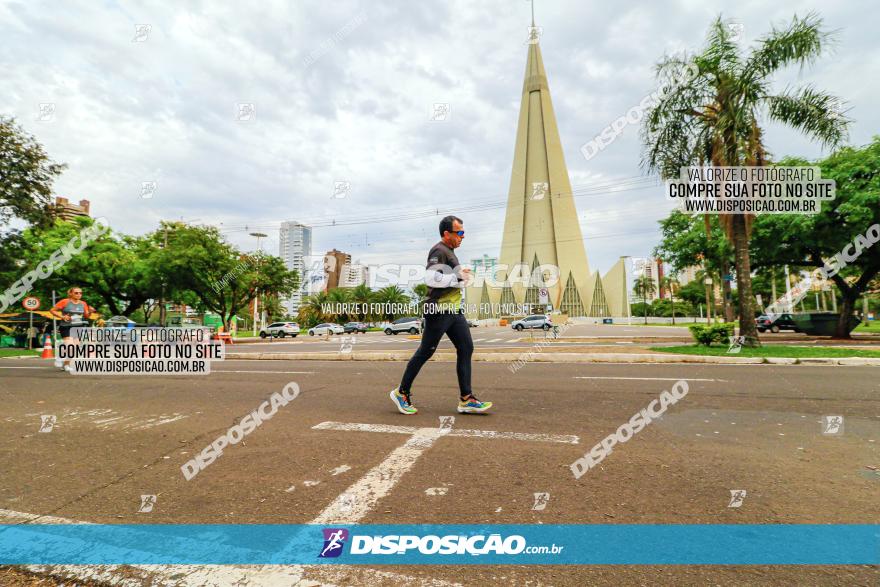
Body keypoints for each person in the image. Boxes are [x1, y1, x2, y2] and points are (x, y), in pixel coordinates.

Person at [389, 215, 493, 415]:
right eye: (459, 232)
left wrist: (463, 277)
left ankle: (466, 399)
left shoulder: (451, 252)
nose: (462, 236)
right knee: (426, 351)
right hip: (438, 310)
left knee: (466, 348)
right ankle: (401, 393)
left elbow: (451, 281)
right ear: (447, 233)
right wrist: (457, 276)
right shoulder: (439, 250)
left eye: (463, 232)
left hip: (453, 310)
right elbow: (431, 278)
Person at [49, 287, 101, 371]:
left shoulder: (83, 303)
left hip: (78, 327)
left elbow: (86, 316)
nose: (79, 294)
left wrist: (90, 311)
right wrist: (62, 316)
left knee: (75, 349)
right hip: (66, 327)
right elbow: (52, 310)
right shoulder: (65, 302)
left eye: (80, 293)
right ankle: (61, 358)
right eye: (76, 293)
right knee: (70, 347)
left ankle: (65, 364)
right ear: (71, 293)